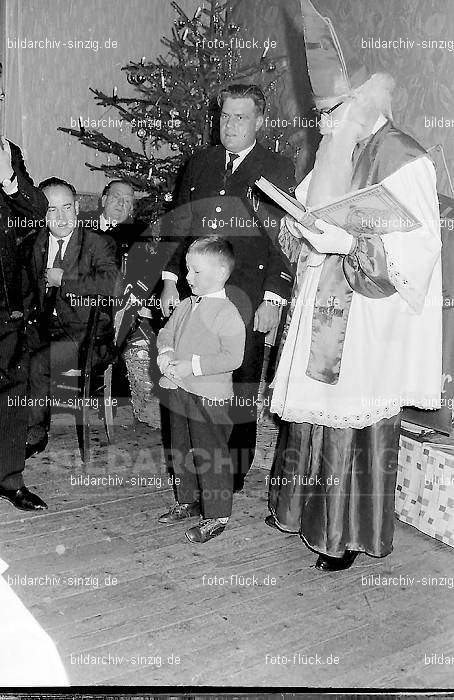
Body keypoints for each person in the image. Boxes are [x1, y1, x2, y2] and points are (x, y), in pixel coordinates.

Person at [267, 0, 442, 571]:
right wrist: (299, 229)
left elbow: (419, 249)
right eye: (319, 115)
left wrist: (349, 245)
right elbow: (315, 210)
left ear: (362, 103)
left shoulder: (403, 156)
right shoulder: (335, 147)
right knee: (313, 411)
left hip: (368, 318)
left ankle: (345, 533)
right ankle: (300, 510)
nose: (321, 126)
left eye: (331, 113)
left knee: (352, 414)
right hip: (323, 303)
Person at [160, 83, 295, 492]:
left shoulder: (278, 169)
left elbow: (284, 241)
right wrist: (169, 280)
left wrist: (273, 297)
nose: (230, 124)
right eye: (225, 116)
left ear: (260, 122)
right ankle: (188, 471)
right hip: (195, 294)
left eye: (240, 117)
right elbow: (179, 224)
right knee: (187, 384)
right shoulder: (200, 164)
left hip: (244, 299)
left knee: (238, 388)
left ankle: (230, 477)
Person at [22, 177, 122, 457]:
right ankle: (15, 425)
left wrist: (64, 279)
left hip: (88, 335)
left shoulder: (97, 243)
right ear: (42, 213)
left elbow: (112, 283)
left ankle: (35, 433)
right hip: (47, 326)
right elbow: (26, 292)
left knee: (38, 363)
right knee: (12, 352)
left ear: (77, 208)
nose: (62, 217)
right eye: (52, 210)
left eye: (67, 207)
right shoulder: (36, 244)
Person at [157, 236, 245, 543]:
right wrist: (165, 354)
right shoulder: (184, 304)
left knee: (211, 455)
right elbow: (166, 332)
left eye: (195, 272)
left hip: (209, 396)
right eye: (186, 270)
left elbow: (233, 357)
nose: (186, 278)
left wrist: (192, 366)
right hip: (179, 390)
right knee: (180, 448)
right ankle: (189, 499)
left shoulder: (228, 313)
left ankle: (217, 514)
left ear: (220, 274)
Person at [0, 61, 49, 512]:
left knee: (12, 389)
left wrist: (9, 179)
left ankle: (9, 477)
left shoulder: (8, 151)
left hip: (7, 301)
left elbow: (36, 213)